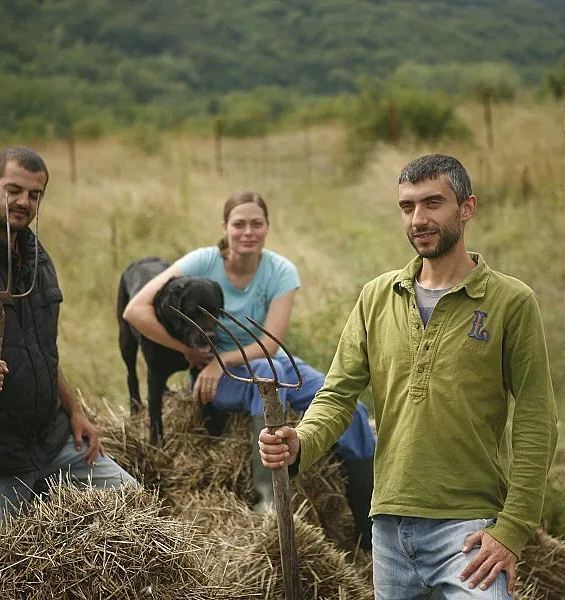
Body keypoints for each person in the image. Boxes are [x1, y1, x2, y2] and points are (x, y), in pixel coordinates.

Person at [258, 154, 559, 599]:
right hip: (389, 529)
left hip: (471, 532)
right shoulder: (378, 296)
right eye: (407, 206)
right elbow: (338, 395)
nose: (418, 219)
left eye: (433, 203)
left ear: (467, 208)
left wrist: (512, 529)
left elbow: (537, 421)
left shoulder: (510, 302)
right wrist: (301, 441)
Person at [122, 190, 377, 549]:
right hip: (227, 379)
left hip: (263, 361)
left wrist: (221, 360)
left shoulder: (281, 271)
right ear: (225, 228)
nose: (247, 231)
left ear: (267, 227)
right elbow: (135, 310)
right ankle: (267, 498)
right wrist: (192, 355)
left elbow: (270, 344)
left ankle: (368, 529)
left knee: (351, 408)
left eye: (256, 223)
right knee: (274, 377)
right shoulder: (203, 261)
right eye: (238, 224)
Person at [0, 146, 137, 545]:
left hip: (46, 443)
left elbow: (40, 351)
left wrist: (74, 410)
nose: (24, 202)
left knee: (131, 503)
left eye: (34, 195)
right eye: (14, 190)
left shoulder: (34, 258)